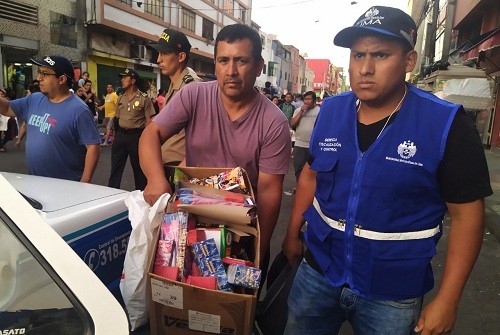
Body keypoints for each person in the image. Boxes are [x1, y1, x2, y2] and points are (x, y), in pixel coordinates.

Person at [282, 6, 492, 335]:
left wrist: (448, 301)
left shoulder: (445, 124)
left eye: (381, 54)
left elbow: (468, 216)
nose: (365, 68)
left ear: (409, 61)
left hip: (393, 293)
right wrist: (291, 233)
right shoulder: (332, 111)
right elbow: (311, 176)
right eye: (358, 55)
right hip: (319, 271)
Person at [139, 23, 291, 273]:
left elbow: (269, 192)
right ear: (215, 64)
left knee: (234, 307)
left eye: (241, 61)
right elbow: (151, 134)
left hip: (241, 230)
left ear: (259, 66)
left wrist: (259, 252)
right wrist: (156, 179)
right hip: (190, 220)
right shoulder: (193, 95)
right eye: (223, 61)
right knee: (180, 299)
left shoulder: (274, 122)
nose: (231, 71)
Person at [0, 55, 101, 182]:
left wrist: (84, 184)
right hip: (35, 182)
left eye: (45, 74)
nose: (39, 78)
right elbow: (7, 108)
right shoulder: (34, 99)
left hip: (66, 187)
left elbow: (93, 147)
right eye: (39, 72)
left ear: (62, 79)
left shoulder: (79, 110)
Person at [146, 28, 202, 176]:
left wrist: (181, 173)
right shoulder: (175, 82)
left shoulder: (191, 86)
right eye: (159, 54)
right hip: (166, 164)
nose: (158, 59)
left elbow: (204, 138)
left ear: (181, 56)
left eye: (164, 54)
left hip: (179, 168)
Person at [108, 68, 155, 190]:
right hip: (121, 135)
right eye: (122, 77)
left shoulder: (144, 98)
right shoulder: (120, 97)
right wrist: (114, 134)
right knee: (115, 168)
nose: (122, 80)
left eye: (125, 77)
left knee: (139, 169)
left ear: (133, 80)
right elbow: (116, 118)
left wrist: (147, 140)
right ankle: (111, 194)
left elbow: (150, 120)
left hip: (136, 137)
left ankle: (140, 195)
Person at [289, 91, 319, 180]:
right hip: (300, 144)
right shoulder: (298, 110)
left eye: (309, 99)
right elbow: (292, 123)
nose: (306, 101)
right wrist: (301, 111)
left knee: (312, 169)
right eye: (305, 99)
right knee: (298, 167)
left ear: (314, 101)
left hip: (313, 145)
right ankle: (299, 186)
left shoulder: (319, 111)